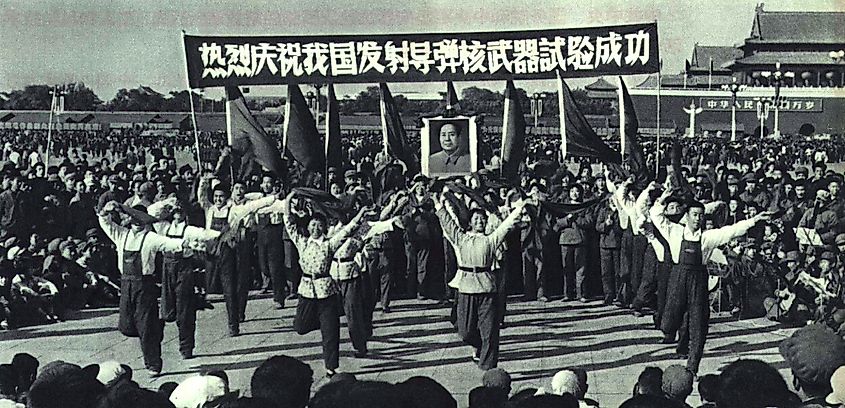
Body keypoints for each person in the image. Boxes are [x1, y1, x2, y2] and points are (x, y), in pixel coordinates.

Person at [650, 182, 773, 374]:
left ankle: (692, 367)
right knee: (668, 324)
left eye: (701, 215)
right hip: (677, 278)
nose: (698, 219)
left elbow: (731, 230)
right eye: (695, 215)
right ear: (687, 216)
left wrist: (755, 219)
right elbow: (655, 215)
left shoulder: (707, 237)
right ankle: (677, 336)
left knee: (699, 323)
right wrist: (664, 197)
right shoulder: (674, 231)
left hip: (698, 281)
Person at [97, 201, 194, 376]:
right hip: (126, 284)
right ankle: (156, 328)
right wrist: (105, 210)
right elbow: (105, 223)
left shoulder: (150, 237)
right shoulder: (121, 234)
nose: (134, 221)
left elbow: (167, 243)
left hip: (144, 285)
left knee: (145, 327)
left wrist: (184, 244)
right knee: (126, 326)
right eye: (132, 217)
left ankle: (153, 364)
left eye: (138, 218)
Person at [281, 191, 372, 377]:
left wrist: (361, 214)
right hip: (307, 290)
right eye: (312, 225)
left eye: (319, 225)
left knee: (331, 332)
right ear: (308, 226)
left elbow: (348, 231)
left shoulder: (329, 244)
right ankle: (319, 322)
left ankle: (331, 366)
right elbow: (289, 223)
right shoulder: (302, 242)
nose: (315, 228)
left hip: (327, 291)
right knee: (300, 327)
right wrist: (289, 199)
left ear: (324, 228)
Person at [434, 192, 527, 370]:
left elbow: (507, 226)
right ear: (470, 222)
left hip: (486, 289)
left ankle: (488, 368)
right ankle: (479, 347)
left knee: (490, 332)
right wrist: (439, 206)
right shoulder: (461, 238)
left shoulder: (491, 240)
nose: (480, 222)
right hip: (466, 288)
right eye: (476, 219)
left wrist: (519, 209)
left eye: (482, 219)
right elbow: (448, 223)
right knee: (466, 332)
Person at [147, 197, 220, 359]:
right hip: (167, 269)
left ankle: (186, 347)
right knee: (167, 311)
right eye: (175, 210)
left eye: (180, 210)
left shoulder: (188, 230)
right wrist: (169, 201)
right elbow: (151, 211)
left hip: (183, 269)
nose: (177, 213)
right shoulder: (163, 227)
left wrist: (221, 233)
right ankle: (194, 303)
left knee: (184, 311)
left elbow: (204, 234)